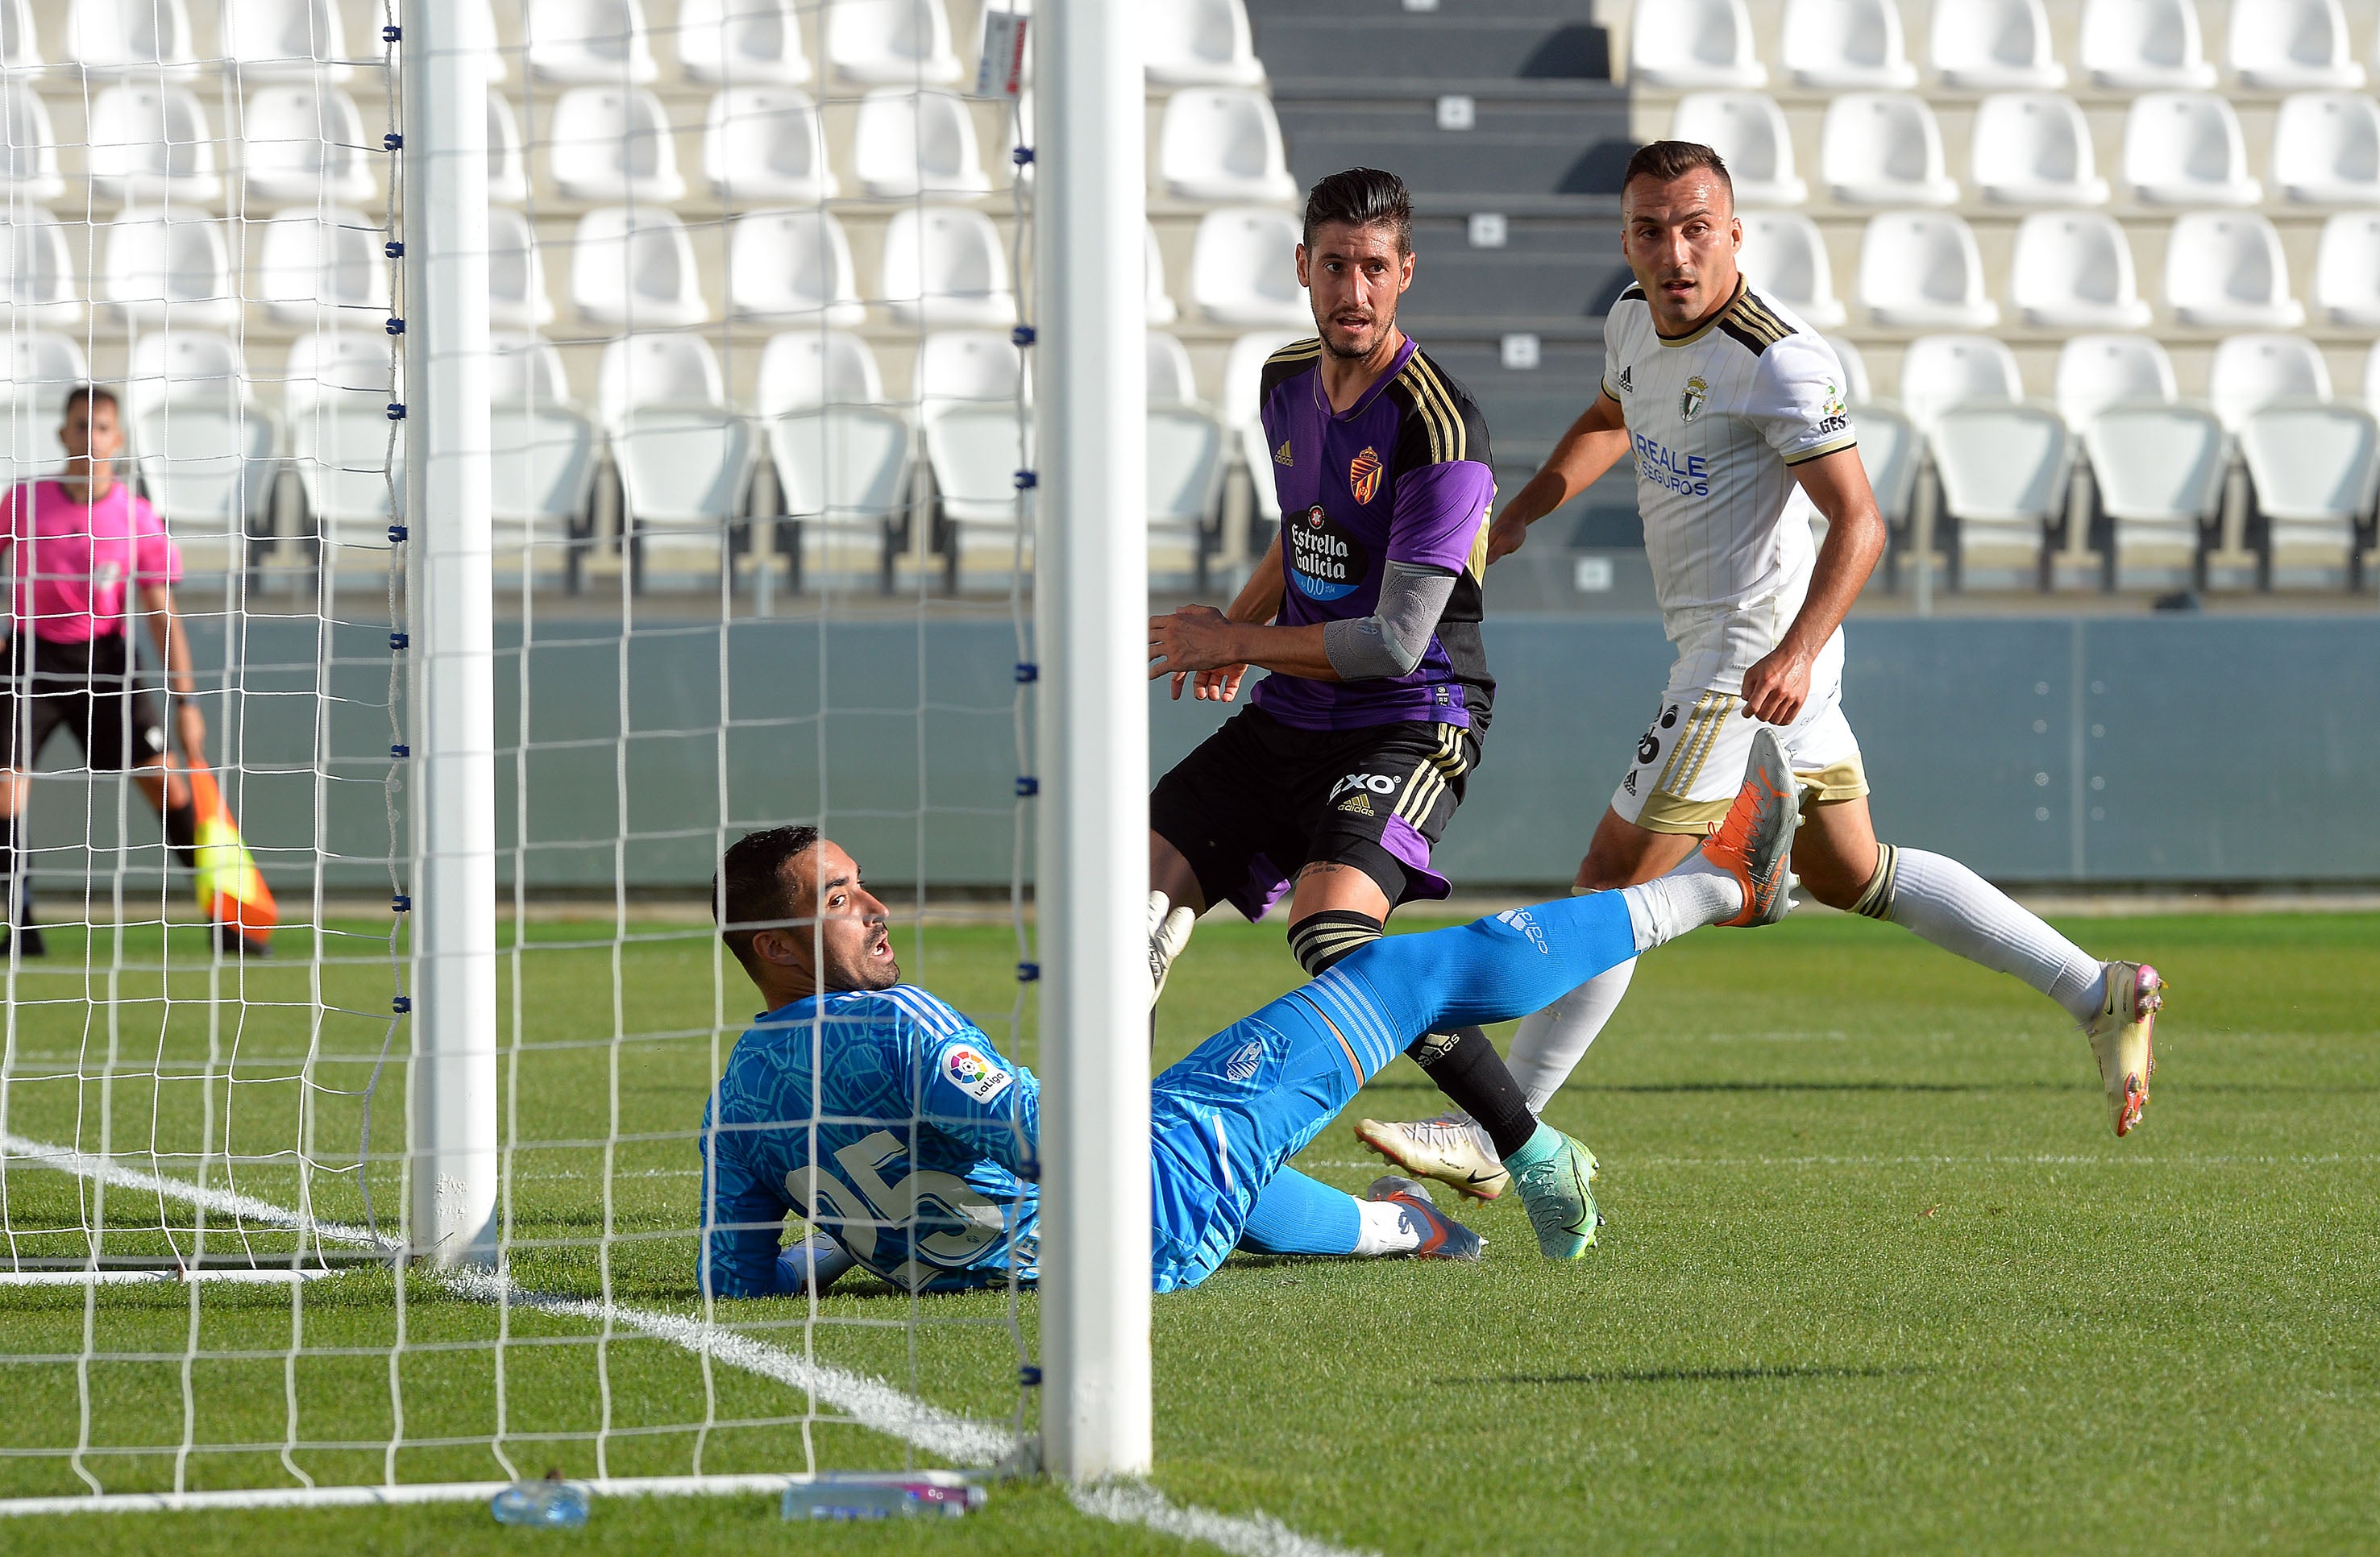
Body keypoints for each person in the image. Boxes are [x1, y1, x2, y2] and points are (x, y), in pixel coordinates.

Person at [1355, 141, 2164, 1202]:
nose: (1675, 250)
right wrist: (1520, 519)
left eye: (1696, 227)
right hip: (1748, 656)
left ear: (1735, 232)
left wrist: (1789, 651)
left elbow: (1861, 525)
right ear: (1626, 239)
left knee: (1611, 884)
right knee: (1853, 873)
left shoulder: (1780, 358)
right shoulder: (1631, 323)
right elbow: (1610, 418)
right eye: (1651, 229)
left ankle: (1501, 1131)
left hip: (1747, 662)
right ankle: (2091, 988)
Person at [695, 731, 1800, 1298]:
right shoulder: (892, 1026)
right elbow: (1054, 1142)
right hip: (1144, 1206)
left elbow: (733, 1283)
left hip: (1082, 1259)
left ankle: (1405, 1227)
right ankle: (1716, 884)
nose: (876, 908)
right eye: (841, 902)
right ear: (779, 948)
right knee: (1390, 983)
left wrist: (854, 1241)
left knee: (1222, 1122)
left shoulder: (735, 1109)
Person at [1140, 166, 1590, 1223]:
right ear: (1303, 268)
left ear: (1404, 277)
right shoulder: (1281, 380)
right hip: (1294, 712)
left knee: (1333, 934)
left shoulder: (1440, 423)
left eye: (1374, 268)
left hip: (1412, 714)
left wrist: (1239, 637)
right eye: (1334, 264)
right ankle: (1113, 1154)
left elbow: (1395, 643)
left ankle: (1525, 1151)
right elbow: (1301, 531)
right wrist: (1243, 619)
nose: (1353, 287)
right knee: (1131, 903)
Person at [0, 384, 222, 957]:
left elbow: (161, 616)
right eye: (80, 426)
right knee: (5, 793)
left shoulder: (138, 517)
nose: (90, 438)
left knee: (167, 784)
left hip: (108, 664)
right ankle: (22, 931)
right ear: (62, 434)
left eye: (101, 428)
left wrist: (187, 703)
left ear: (118, 439)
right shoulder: (23, 502)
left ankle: (226, 917)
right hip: (30, 658)